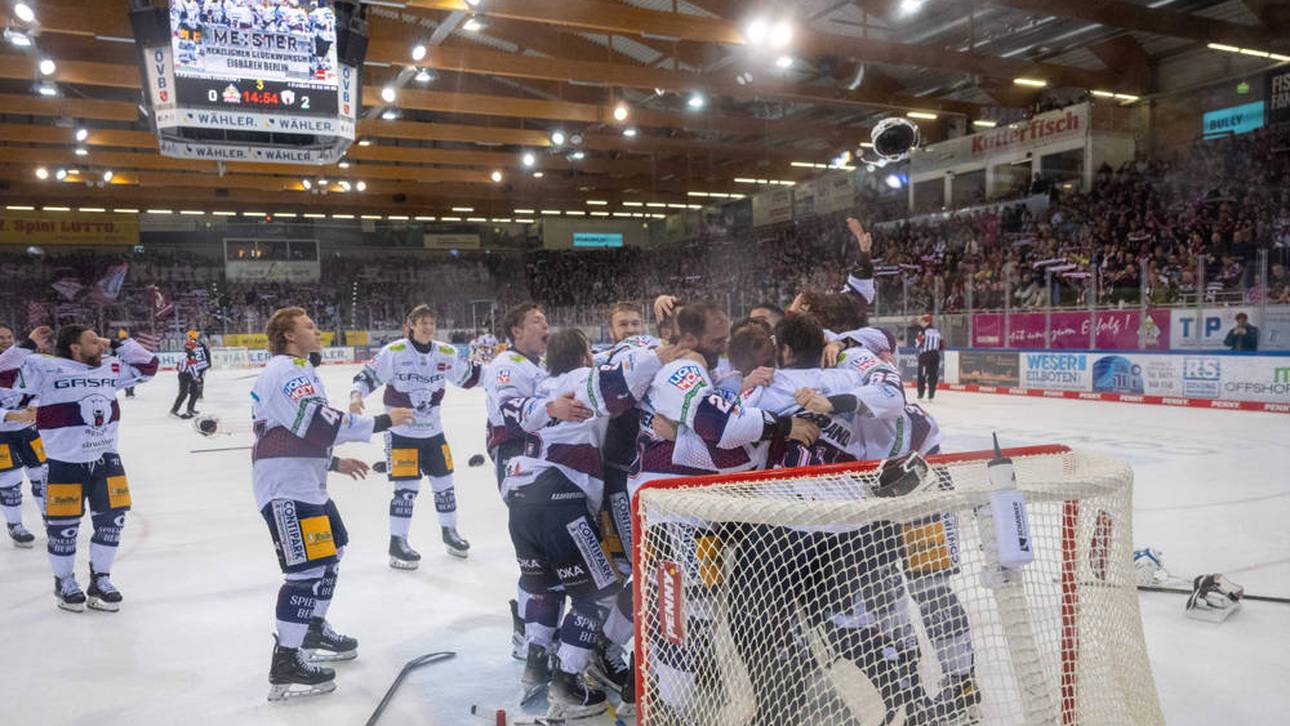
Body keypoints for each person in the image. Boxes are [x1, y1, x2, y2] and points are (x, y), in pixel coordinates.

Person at [504, 328, 682, 719]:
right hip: (559, 499)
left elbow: (508, 412)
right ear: (585, 354)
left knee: (546, 586)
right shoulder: (581, 380)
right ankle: (566, 682)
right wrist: (662, 355)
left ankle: (537, 664)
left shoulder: (540, 383)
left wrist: (547, 410)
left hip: (520, 496)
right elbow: (617, 386)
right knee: (598, 594)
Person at [251, 306, 414, 701]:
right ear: (289, 336)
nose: (318, 329)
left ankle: (311, 627)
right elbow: (317, 422)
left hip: (306, 482)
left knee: (333, 548)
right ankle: (286, 659)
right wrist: (381, 421)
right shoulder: (286, 371)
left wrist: (334, 462)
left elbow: (303, 431)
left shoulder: (301, 371)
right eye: (308, 326)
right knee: (305, 571)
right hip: (286, 486)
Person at [0, 323, 158, 612]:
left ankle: (101, 580)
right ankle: (64, 582)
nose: (99, 344)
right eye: (92, 340)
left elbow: (149, 366)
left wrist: (114, 343)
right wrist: (27, 345)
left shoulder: (109, 368)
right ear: (75, 347)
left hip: (106, 460)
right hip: (63, 463)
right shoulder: (44, 367)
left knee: (112, 523)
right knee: (64, 529)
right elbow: (4, 375)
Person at [350, 305, 481, 568]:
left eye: (431, 322)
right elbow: (367, 376)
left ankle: (450, 533)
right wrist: (356, 396)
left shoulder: (445, 352)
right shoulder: (395, 352)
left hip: (433, 433)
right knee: (406, 490)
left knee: (445, 484)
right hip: (401, 434)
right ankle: (397, 542)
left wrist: (493, 374)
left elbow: (469, 377)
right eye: (422, 322)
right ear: (410, 324)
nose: (427, 327)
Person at [0, 324, 47, 548]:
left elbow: (39, 389)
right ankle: (14, 524)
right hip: (2, 434)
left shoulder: (27, 363)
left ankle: (49, 517)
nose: (6, 341)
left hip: (28, 430)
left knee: (40, 474)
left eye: (9, 336)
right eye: (1, 338)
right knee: (9, 481)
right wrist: (10, 415)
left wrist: (34, 409)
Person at [170, 330, 210, 419]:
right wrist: (196, 377)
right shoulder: (190, 355)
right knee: (184, 394)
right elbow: (192, 368)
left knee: (194, 392)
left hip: (183, 375)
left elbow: (178, 366)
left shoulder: (182, 354)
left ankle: (190, 409)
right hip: (187, 376)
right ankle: (174, 411)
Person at [915, 314, 944, 401]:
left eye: (922, 321)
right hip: (935, 355)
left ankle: (920, 394)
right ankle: (931, 395)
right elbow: (941, 346)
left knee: (922, 375)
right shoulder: (938, 332)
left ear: (926, 322)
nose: (921, 322)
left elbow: (917, 344)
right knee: (933, 375)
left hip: (925, 355)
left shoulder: (922, 332)